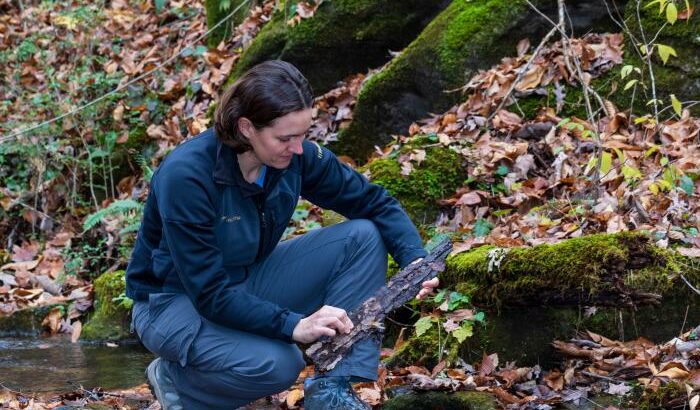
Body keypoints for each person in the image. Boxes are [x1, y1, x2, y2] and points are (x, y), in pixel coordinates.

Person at [125, 60, 439, 410]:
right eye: (285, 138)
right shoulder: (187, 176)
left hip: (246, 278)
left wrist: (415, 259)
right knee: (280, 364)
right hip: (171, 301)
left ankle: (332, 388)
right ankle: (178, 382)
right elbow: (210, 292)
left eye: (304, 134)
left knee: (363, 236)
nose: (299, 147)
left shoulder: (294, 156)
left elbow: (372, 202)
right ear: (246, 128)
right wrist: (294, 325)